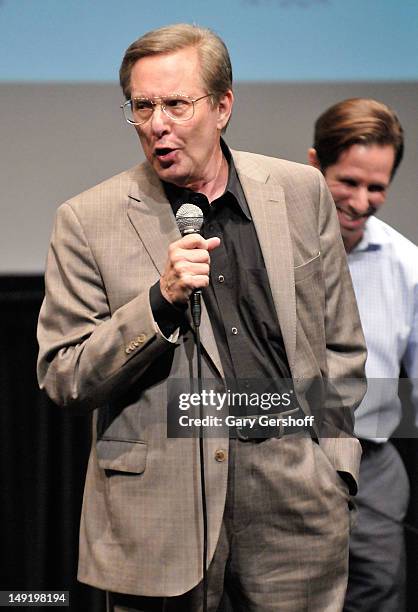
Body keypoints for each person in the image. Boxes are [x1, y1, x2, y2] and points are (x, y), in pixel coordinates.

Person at [37, 24, 366, 612]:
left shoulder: (299, 191)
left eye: (176, 104)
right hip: (163, 516)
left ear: (222, 107)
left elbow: (340, 345)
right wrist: (158, 303)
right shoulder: (87, 220)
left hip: (296, 505)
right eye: (142, 106)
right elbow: (65, 374)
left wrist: (333, 465)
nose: (157, 124)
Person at [308, 97, 418, 612]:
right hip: (287, 457)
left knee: (378, 596)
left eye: (377, 188)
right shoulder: (270, 250)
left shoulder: (405, 264)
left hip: (373, 466)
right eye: (347, 182)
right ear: (314, 166)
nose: (360, 200)